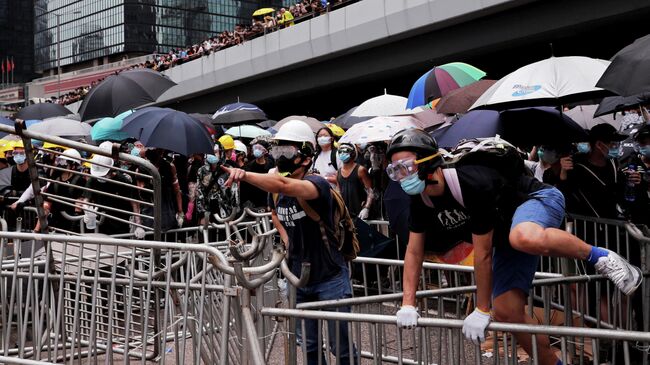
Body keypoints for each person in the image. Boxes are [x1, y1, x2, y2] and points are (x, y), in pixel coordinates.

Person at [389, 129, 642, 365]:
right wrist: (408, 304)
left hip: (538, 199)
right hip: (506, 233)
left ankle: (602, 257)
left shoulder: (470, 182)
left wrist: (481, 308)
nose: (401, 176)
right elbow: (413, 250)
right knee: (508, 311)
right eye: (394, 170)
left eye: (405, 167)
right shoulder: (420, 200)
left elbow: (484, 253)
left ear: (428, 163)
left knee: (523, 237)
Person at [222, 120, 357, 365]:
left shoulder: (317, 184)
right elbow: (274, 212)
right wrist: (287, 241)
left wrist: (244, 174)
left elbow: (286, 184)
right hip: (299, 279)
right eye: (277, 151)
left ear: (305, 157)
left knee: (341, 346)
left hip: (330, 277)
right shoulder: (276, 190)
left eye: (288, 151)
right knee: (311, 346)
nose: (280, 157)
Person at [335, 142, 374, 219]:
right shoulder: (338, 172)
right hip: (346, 214)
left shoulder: (360, 170)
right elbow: (338, 191)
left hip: (360, 213)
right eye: (340, 151)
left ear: (352, 153)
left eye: (346, 151)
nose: (342, 153)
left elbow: (370, 191)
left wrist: (367, 208)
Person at [242, 140, 275, 210]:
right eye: (255, 148)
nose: (257, 150)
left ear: (265, 151)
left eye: (259, 148)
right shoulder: (248, 167)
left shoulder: (271, 164)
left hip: (268, 201)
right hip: (255, 203)